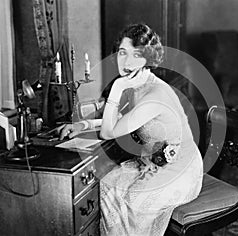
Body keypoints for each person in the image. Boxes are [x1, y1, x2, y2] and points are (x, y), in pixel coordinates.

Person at [59, 23, 203, 236]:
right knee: (108, 183)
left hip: (180, 172)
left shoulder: (154, 94)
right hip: (156, 162)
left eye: (136, 55)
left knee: (134, 201)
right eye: (122, 53)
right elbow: (121, 121)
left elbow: (108, 133)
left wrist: (116, 88)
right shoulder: (138, 84)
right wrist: (82, 124)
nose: (127, 62)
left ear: (148, 58)